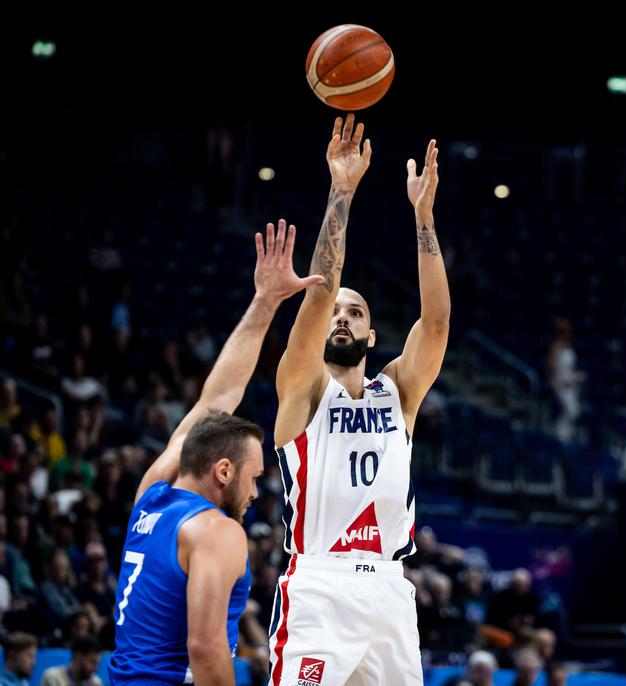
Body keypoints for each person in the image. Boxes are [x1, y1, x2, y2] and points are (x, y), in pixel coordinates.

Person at [270, 114, 450, 685]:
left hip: (391, 590)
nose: (342, 318)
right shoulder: (302, 386)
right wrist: (341, 192)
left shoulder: (397, 392)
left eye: (358, 313)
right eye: (338, 313)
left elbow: (438, 323)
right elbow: (319, 296)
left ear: (373, 336)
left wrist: (423, 217)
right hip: (320, 582)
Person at [109, 221, 321, 685]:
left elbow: (215, 399)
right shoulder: (217, 531)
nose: (256, 490)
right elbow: (204, 650)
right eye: (253, 476)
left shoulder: (152, 495)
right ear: (224, 471)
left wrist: (266, 301)